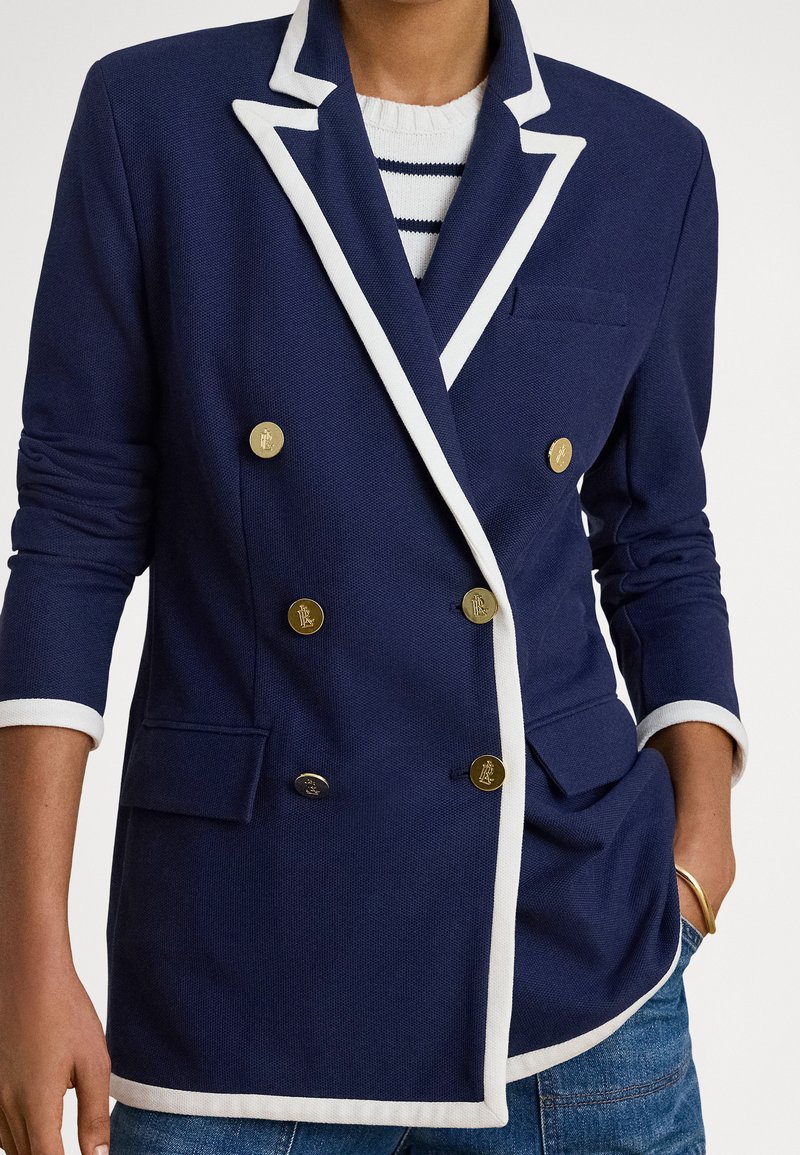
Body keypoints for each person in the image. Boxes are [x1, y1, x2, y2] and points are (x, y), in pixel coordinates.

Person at [0, 0, 747, 1152]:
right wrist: (26, 953)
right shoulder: (153, 118)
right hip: (238, 956)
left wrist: (699, 836)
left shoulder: (646, 163)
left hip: (568, 961)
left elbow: (656, 535)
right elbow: (74, 536)